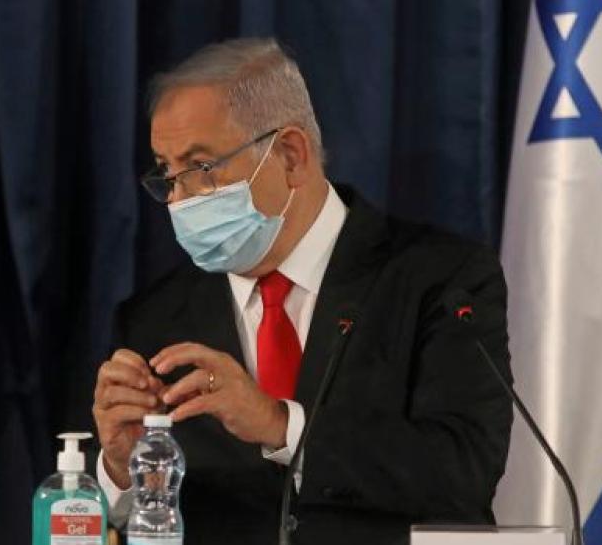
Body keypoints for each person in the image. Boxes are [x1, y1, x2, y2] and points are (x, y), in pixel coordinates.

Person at [91, 38, 512, 545]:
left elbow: (465, 470)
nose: (178, 199)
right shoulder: (153, 318)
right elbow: (138, 521)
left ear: (291, 156)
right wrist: (121, 470)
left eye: (200, 169)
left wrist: (280, 425)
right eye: (167, 172)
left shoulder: (441, 280)